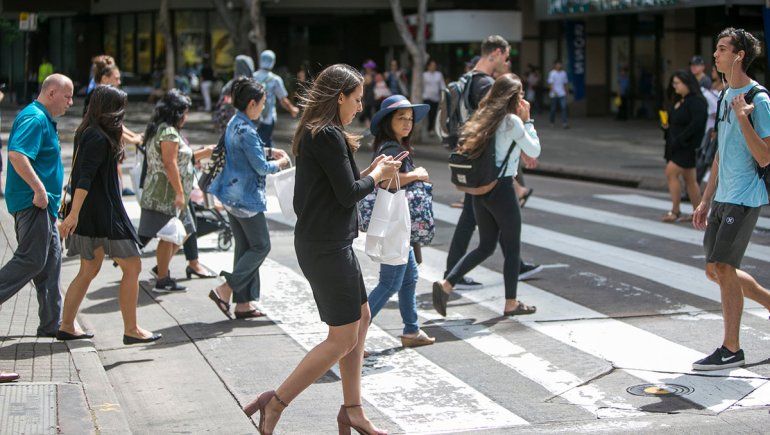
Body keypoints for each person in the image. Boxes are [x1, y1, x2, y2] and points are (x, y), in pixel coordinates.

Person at [242, 64, 400, 434]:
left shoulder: (321, 133)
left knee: (360, 321)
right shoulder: (326, 134)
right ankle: (275, 403)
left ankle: (352, 410)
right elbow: (347, 195)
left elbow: (339, 188)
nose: (360, 107)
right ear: (339, 97)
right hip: (326, 246)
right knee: (342, 337)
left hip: (328, 242)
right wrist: (376, 177)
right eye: (357, 99)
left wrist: (371, 171)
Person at [57, 85, 162, 345]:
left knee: (89, 268)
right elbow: (85, 178)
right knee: (133, 265)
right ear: (111, 109)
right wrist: (73, 216)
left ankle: (67, 325)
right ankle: (131, 329)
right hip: (104, 212)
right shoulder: (97, 137)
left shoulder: (91, 131)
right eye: (121, 107)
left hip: (96, 210)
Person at [692, 28, 770, 371]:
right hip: (723, 195)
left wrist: (743, 118)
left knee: (724, 268)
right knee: (716, 271)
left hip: (746, 195)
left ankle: (732, 348)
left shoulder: (759, 98)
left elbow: (765, 156)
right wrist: (706, 198)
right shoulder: (724, 95)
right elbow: (722, 151)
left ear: (738, 56)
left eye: (722, 49)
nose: (715, 55)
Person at [433, 73, 541, 318]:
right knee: (512, 249)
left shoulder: (483, 117)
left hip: (481, 189)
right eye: (521, 93)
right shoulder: (512, 121)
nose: (524, 98)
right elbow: (534, 149)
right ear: (513, 97)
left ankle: (447, 284)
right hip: (502, 189)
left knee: (486, 246)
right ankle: (511, 303)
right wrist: (529, 120)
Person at [444, 35, 543, 290]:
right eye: (506, 57)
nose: (506, 62)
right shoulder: (488, 87)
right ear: (496, 53)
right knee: (506, 240)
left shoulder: (467, 81)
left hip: (478, 169)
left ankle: (450, 278)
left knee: (482, 236)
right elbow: (522, 140)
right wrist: (526, 125)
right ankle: (510, 296)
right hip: (493, 175)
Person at [208, 77, 291, 320]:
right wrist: (281, 162)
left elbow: (245, 152)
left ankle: (243, 304)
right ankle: (225, 289)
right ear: (252, 103)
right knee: (261, 246)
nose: (264, 108)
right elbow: (262, 167)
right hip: (246, 199)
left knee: (245, 249)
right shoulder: (247, 130)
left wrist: (267, 150)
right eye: (263, 103)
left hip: (231, 197)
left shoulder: (235, 122)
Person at [0, 74, 73, 338]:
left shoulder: (42, 118)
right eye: (67, 96)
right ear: (51, 93)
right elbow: (17, 154)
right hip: (33, 204)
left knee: (50, 264)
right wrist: (39, 189)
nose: (71, 102)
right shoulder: (35, 118)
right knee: (32, 260)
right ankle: (52, 324)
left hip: (43, 207)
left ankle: (52, 325)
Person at [367, 94, 436, 348]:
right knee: (389, 283)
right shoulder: (392, 149)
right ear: (388, 121)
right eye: (401, 118)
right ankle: (351, 337)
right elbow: (385, 181)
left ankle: (411, 330)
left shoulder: (394, 145)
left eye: (410, 118)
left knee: (409, 278)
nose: (408, 123)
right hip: (393, 225)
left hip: (398, 224)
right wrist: (415, 174)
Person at [137, 90, 213, 292]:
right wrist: (179, 193)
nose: (186, 117)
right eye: (185, 113)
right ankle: (162, 279)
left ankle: (161, 269)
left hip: (170, 193)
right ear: (177, 113)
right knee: (170, 236)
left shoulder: (161, 129)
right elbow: (170, 164)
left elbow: (179, 160)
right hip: (166, 194)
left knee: (185, 231)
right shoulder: (168, 132)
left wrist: (205, 152)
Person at [661, 70, 707, 223]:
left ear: (687, 83)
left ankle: (675, 211)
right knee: (690, 180)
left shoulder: (697, 101)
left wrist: (681, 139)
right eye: (673, 83)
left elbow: (697, 124)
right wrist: (666, 126)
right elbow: (674, 122)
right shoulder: (679, 100)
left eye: (677, 83)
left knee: (671, 173)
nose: (675, 87)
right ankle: (698, 213)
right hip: (675, 144)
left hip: (686, 146)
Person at [253, 50, 300, 150]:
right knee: (264, 143)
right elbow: (283, 100)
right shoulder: (275, 79)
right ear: (273, 62)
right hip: (268, 117)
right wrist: (292, 109)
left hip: (254, 116)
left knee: (259, 141)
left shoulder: (253, 77)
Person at [214, 55, 255, 133]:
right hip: (243, 122)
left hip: (229, 121)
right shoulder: (251, 84)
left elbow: (224, 99)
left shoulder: (231, 83)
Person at [422, 59, 445, 137]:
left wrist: (443, 96)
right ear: (428, 66)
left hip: (436, 98)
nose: (433, 67)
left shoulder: (439, 75)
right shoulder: (424, 75)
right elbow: (421, 86)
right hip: (426, 96)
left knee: (433, 113)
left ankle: (430, 128)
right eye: (431, 65)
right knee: (429, 112)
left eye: (434, 66)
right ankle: (428, 128)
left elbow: (442, 86)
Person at [548, 60, 570, 128]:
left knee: (564, 107)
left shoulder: (563, 73)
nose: (559, 66)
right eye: (557, 64)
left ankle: (565, 123)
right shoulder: (552, 73)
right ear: (555, 65)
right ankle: (552, 122)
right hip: (554, 94)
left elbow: (565, 83)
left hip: (562, 93)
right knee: (553, 109)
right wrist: (554, 91)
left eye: (560, 64)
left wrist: (566, 92)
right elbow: (551, 84)